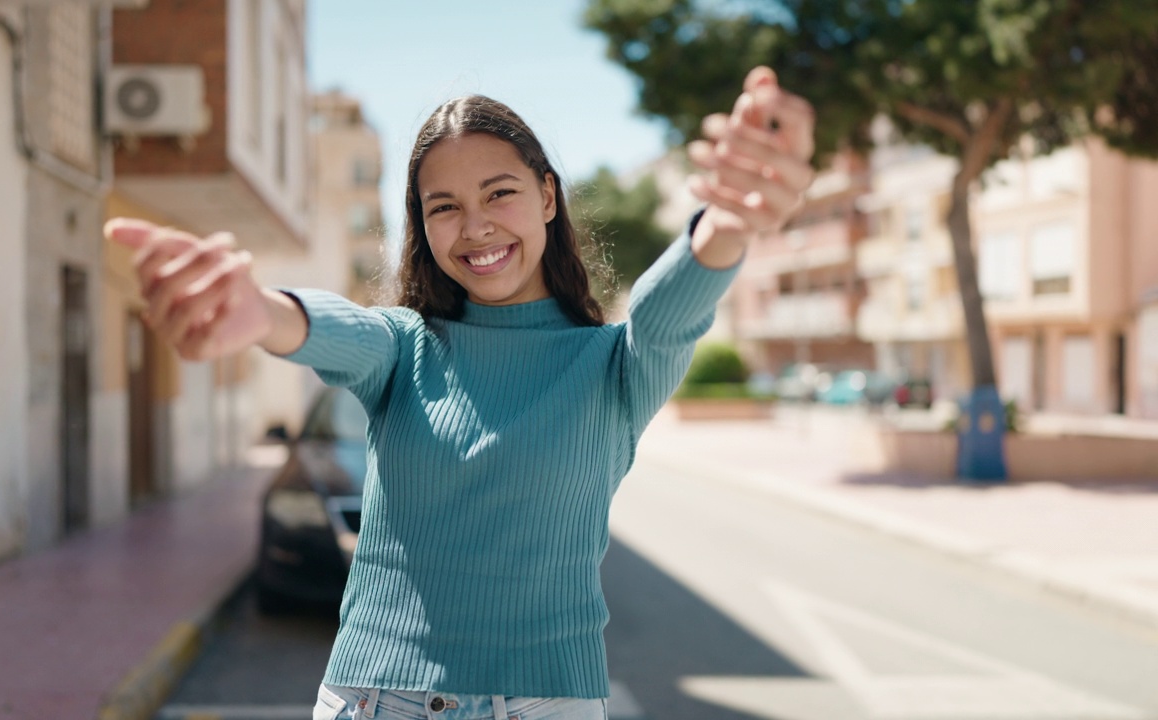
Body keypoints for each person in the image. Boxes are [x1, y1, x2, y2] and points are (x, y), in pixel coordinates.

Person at [106, 66, 814, 720]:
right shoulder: (405, 347)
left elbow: (666, 317)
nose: (475, 226)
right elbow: (336, 329)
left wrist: (726, 225)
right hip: (378, 700)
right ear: (422, 224)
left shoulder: (613, 366)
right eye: (443, 206)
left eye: (499, 192)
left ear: (545, 195)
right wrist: (261, 311)